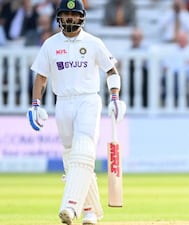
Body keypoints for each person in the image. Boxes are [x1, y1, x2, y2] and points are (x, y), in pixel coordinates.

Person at [27, 0, 126, 224]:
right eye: (66, 14)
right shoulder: (50, 44)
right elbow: (41, 76)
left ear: (82, 17)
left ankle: (70, 206)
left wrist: (114, 97)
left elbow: (111, 70)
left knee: (83, 149)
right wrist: (35, 105)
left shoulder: (93, 43)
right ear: (60, 17)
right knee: (72, 156)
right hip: (62, 102)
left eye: (74, 14)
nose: (70, 18)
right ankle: (91, 211)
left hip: (88, 100)